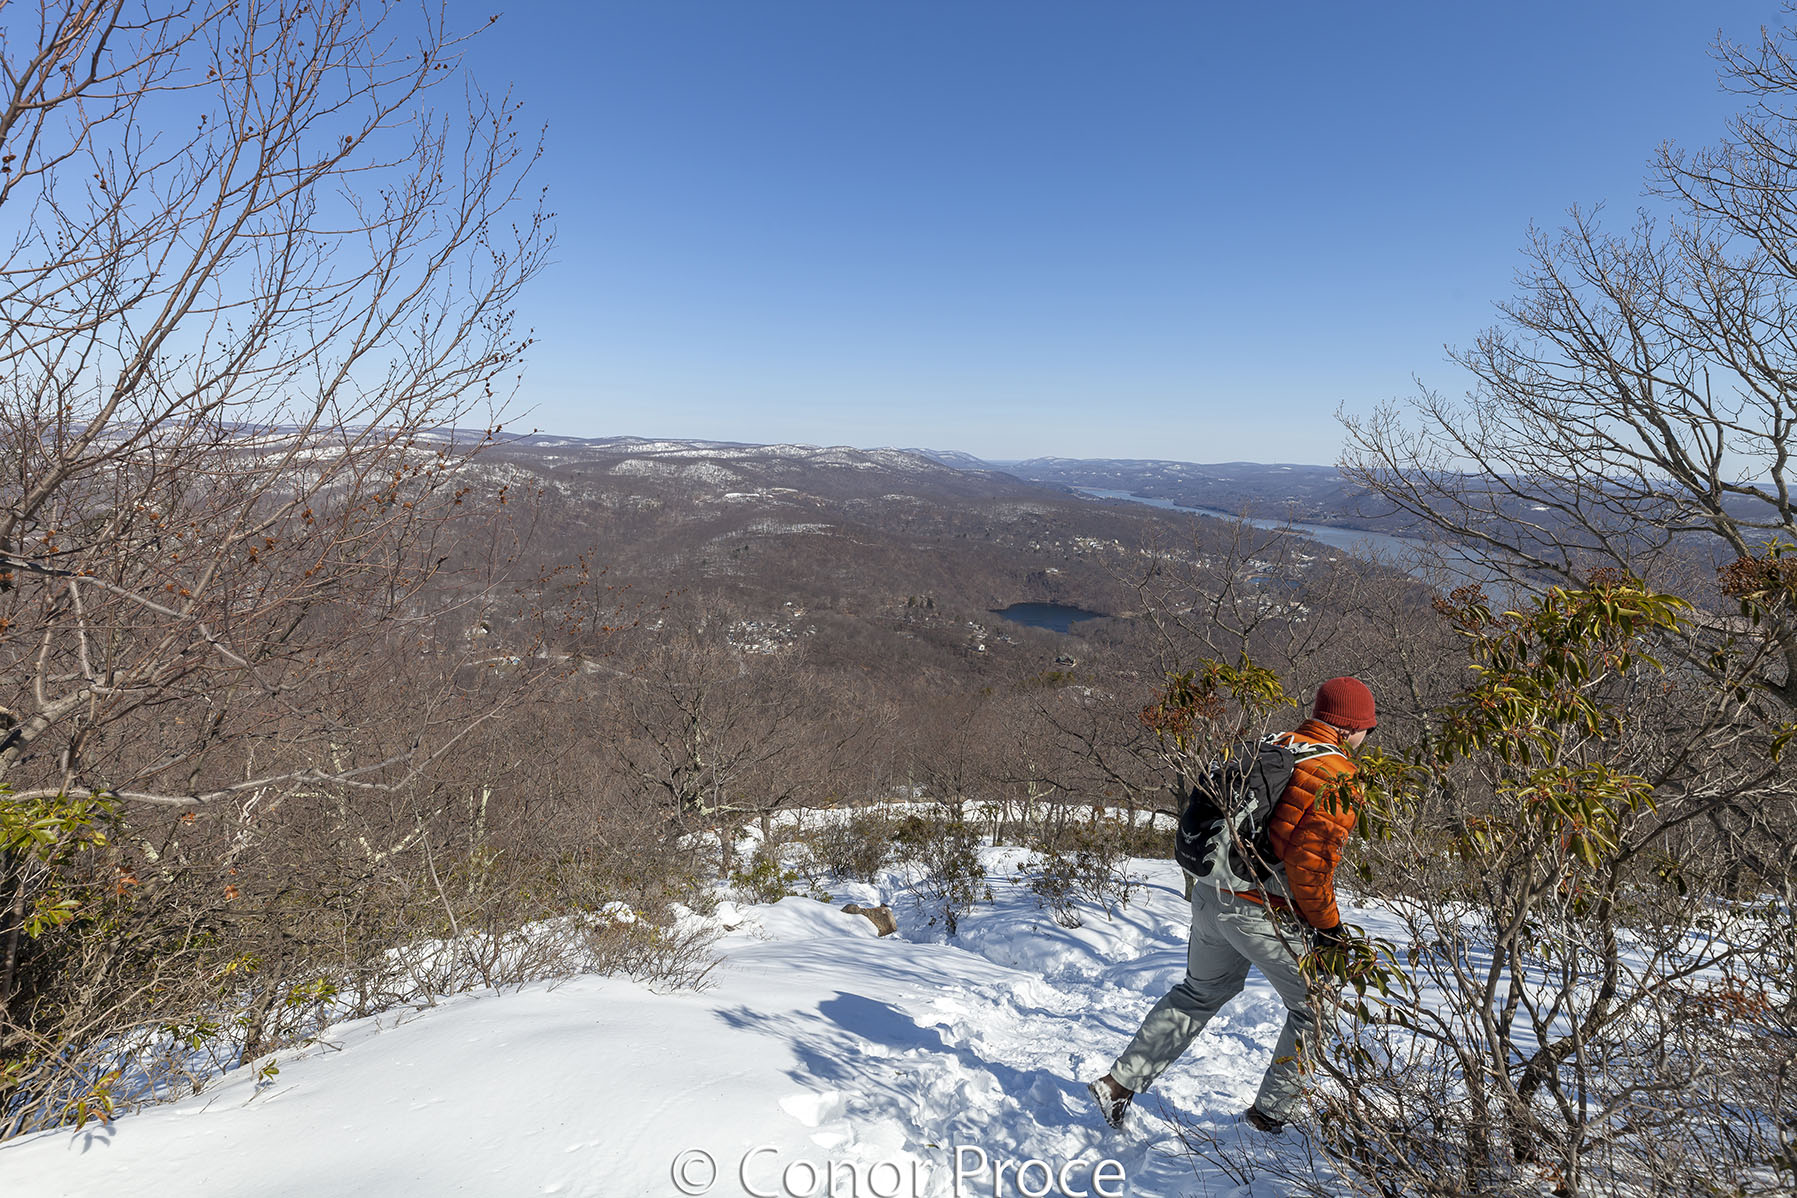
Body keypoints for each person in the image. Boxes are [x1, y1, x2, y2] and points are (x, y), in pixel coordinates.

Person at [1087, 676, 1376, 1134]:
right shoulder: (1336, 775)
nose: (1367, 737)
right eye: (1368, 729)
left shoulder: (1274, 744)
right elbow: (1310, 866)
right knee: (1317, 1006)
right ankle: (1268, 1117)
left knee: (1199, 992)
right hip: (1259, 908)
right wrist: (1329, 928)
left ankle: (1117, 1085)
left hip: (1210, 894)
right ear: (1350, 726)